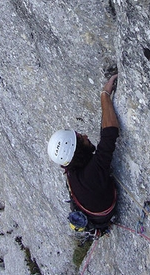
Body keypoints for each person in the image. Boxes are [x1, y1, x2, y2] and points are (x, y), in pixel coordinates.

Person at [47, 74, 119, 229]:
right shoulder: (91, 175)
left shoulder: (71, 168)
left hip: (91, 208)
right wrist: (105, 95)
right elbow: (110, 134)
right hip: (102, 215)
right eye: (81, 138)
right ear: (77, 149)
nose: (86, 136)